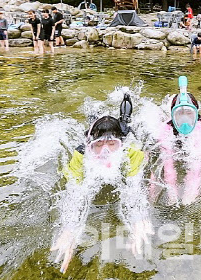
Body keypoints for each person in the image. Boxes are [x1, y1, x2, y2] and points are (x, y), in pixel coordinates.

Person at [52, 94, 152, 273]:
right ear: (90, 145)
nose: (105, 152)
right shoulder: (81, 157)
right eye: (98, 145)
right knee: (94, 125)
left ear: (120, 144)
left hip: (122, 130)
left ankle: (124, 113)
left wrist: (138, 222)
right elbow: (74, 195)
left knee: (125, 123)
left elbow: (135, 191)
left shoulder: (131, 153)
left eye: (112, 144)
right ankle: (94, 118)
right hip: (94, 134)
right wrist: (68, 231)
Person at [150, 76, 201, 206]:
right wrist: (172, 192)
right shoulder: (165, 129)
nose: (184, 119)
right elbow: (168, 166)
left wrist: (190, 193)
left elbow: (196, 166)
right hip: (172, 145)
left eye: (189, 114)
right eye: (180, 114)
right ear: (173, 114)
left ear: (196, 114)